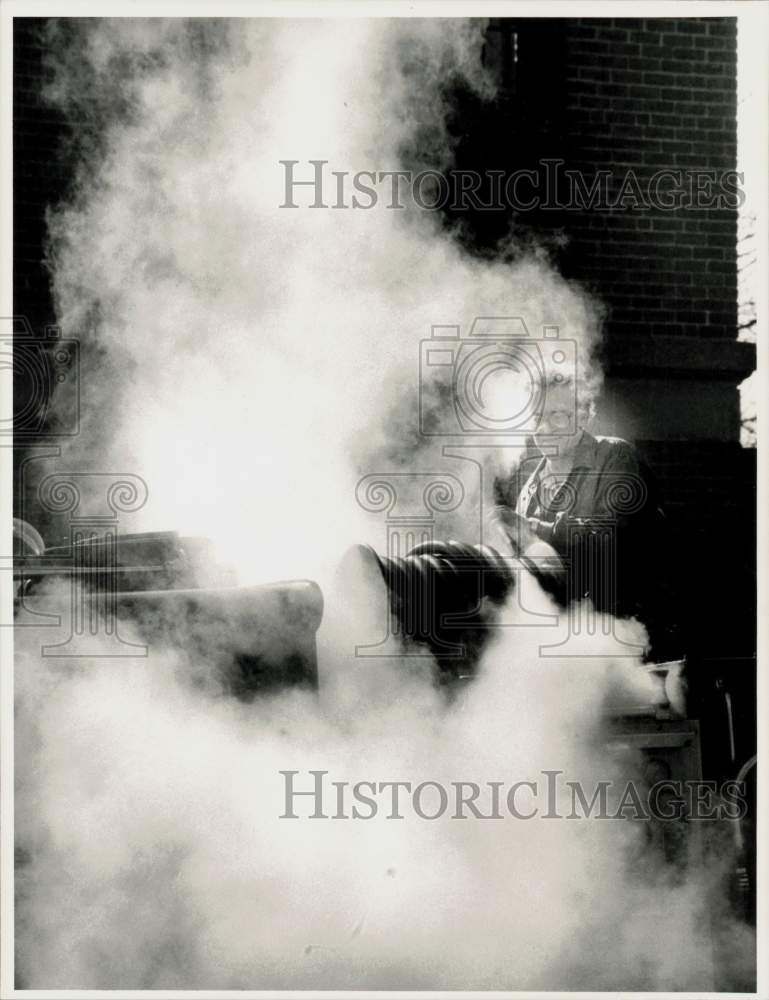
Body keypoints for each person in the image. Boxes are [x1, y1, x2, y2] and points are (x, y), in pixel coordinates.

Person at [491, 371, 680, 659]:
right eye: (536, 417)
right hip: (565, 644)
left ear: (582, 415)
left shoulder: (614, 455)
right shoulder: (529, 491)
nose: (543, 428)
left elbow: (612, 537)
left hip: (628, 638)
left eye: (556, 415)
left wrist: (531, 528)